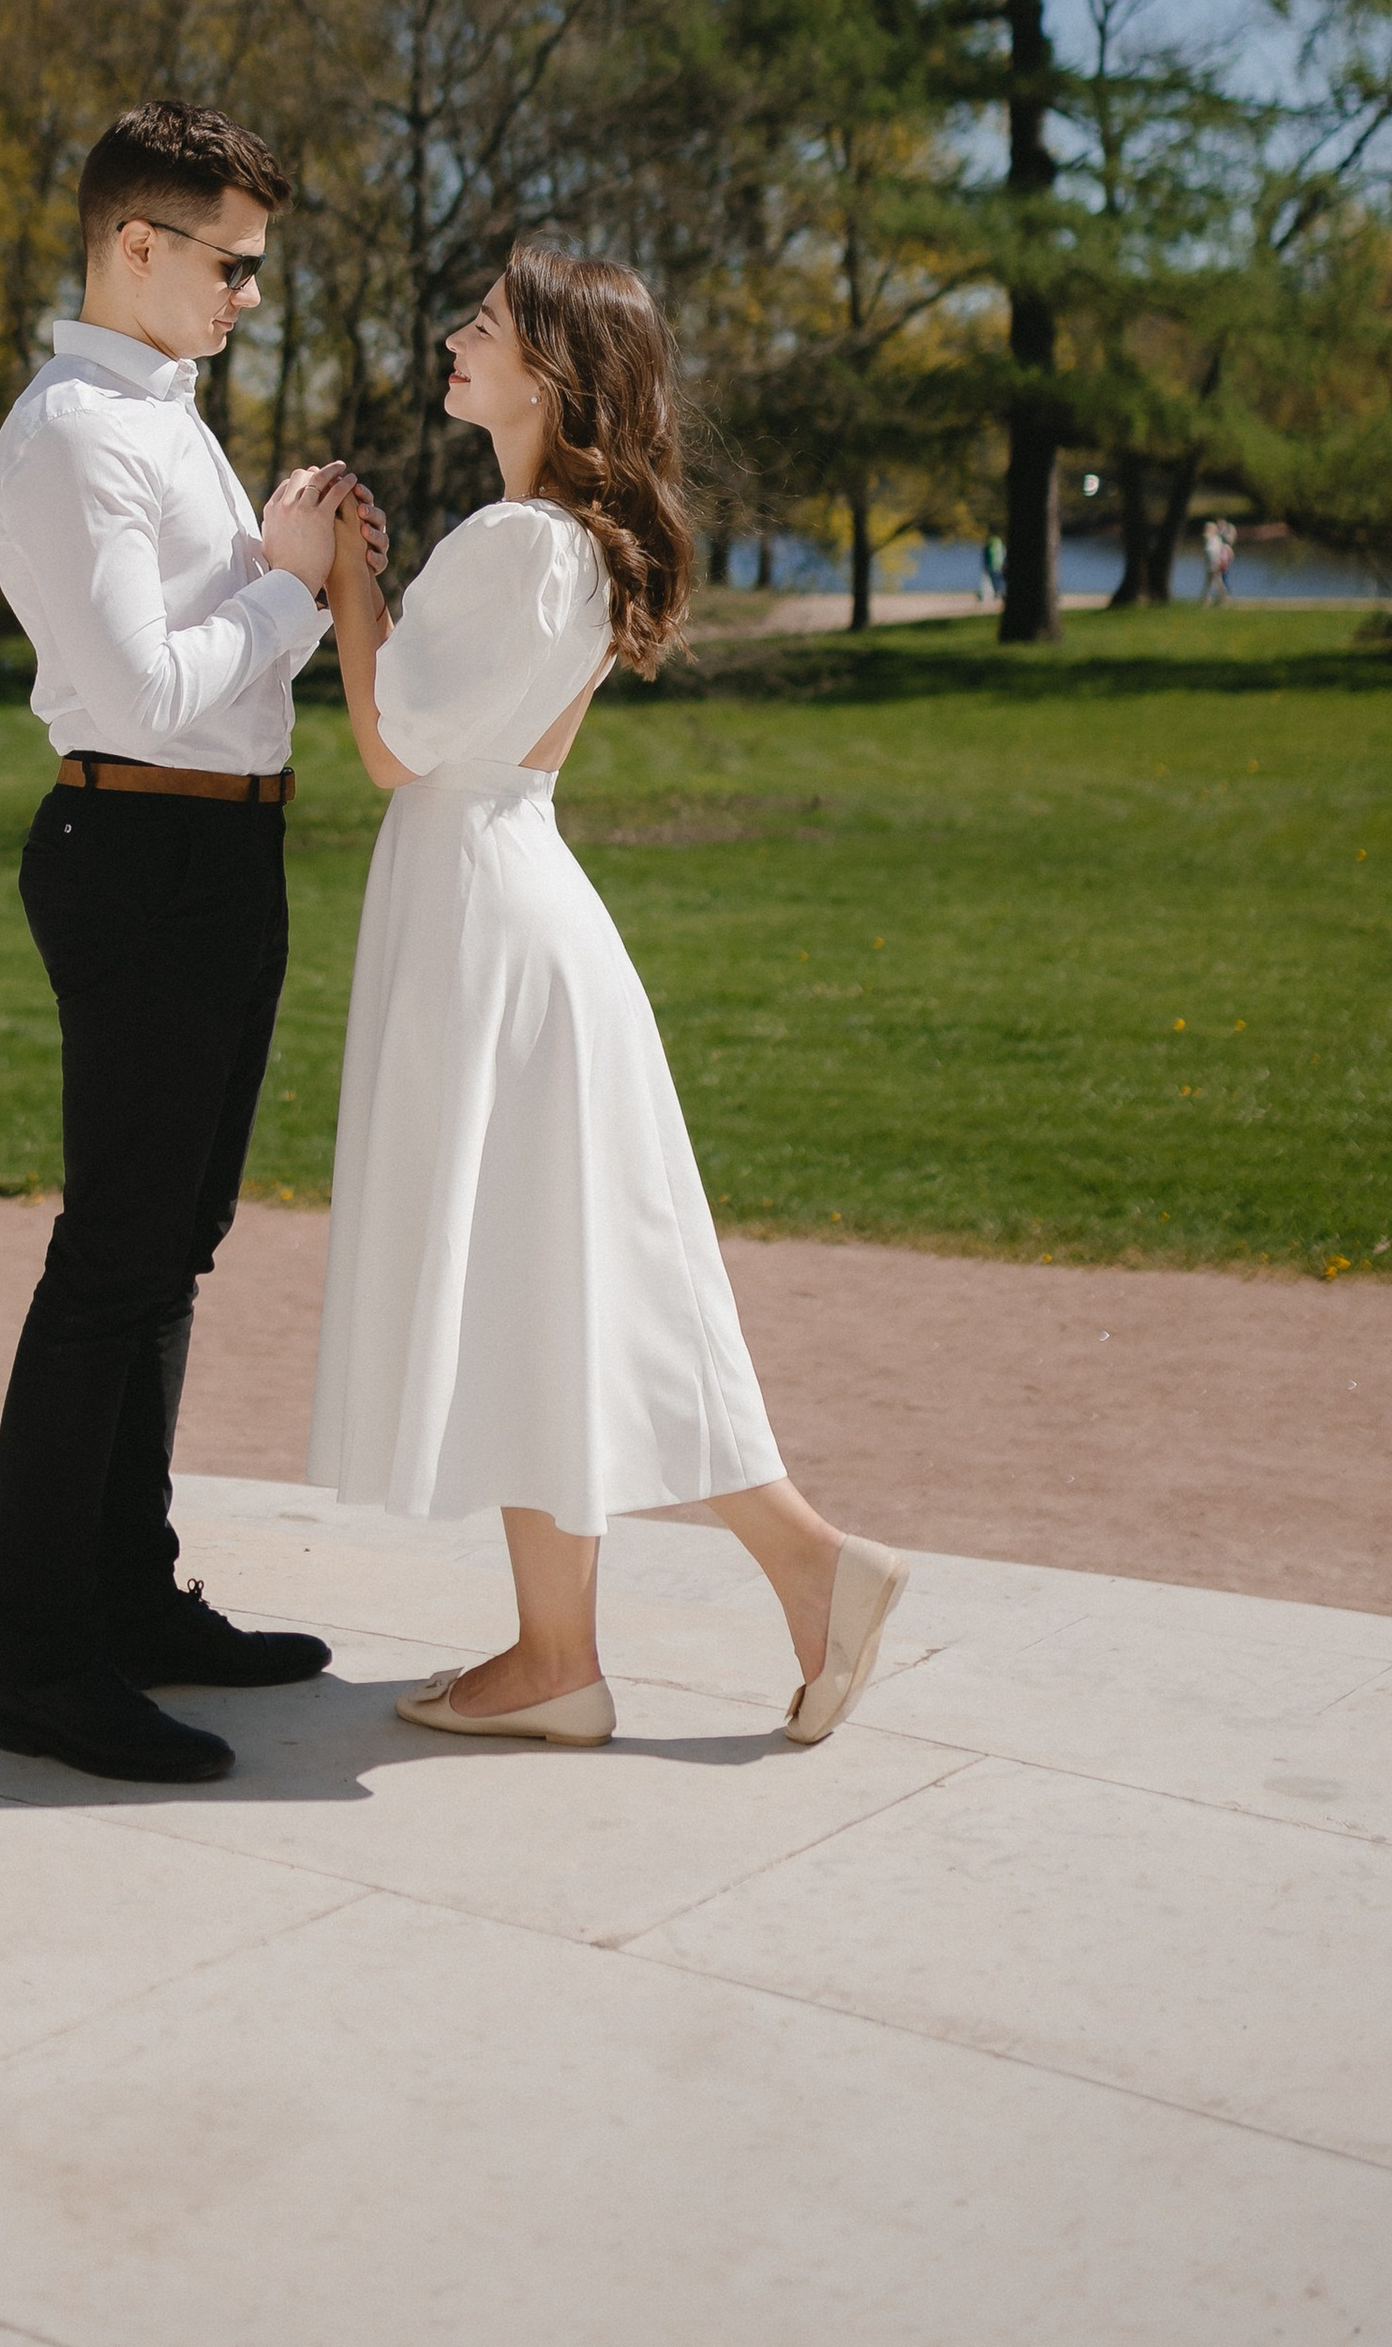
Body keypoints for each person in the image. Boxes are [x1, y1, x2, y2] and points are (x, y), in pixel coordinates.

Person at [308, 246, 907, 1749]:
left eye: (485, 326)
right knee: (549, 1282)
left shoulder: (518, 541)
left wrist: (345, 579)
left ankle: (794, 1565)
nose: (454, 341)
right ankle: (561, 1657)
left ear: (553, 373)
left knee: (554, 1278)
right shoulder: (562, 543)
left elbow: (388, 748)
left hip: (486, 928)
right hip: (509, 907)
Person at [0, 99, 379, 1785]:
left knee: (169, 1244)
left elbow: (194, 654)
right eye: (231, 264)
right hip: (137, 847)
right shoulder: (78, 432)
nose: (248, 295)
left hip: (217, 854)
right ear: (136, 244)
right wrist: (289, 585)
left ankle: (129, 1601)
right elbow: (146, 692)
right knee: (115, 1258)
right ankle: (46, 1662)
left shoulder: (163, 413)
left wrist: (280, 565)